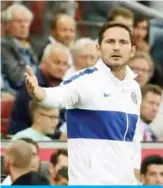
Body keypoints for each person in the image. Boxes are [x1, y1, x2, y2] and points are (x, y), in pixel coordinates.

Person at [24, 22, 142, 185]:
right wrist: (38, 92)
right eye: (110, 42)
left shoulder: (134, 87)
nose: (116, 47)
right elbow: (57, 95)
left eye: (122, 42)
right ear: (98, 49)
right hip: (90, 184)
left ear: (132, 50)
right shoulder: (84, 81)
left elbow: (134, 137)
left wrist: (135, 172)